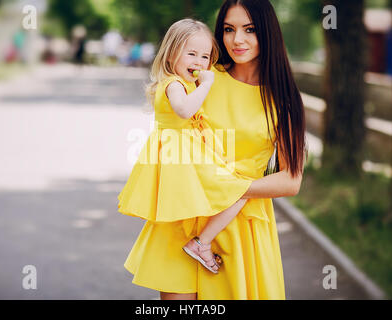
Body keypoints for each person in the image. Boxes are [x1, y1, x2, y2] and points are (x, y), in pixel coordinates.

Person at [122, 0, 307, 300]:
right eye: (228, 29)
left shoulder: (283, 100)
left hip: (241, 226)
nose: (238, 39)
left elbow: (290, 180)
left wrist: (230, 189)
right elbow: (171, 123)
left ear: (268, 32)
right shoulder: (203, 76)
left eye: (250, 29)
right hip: (182, 221)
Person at [118, 18, 255, 275]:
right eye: (191, 53)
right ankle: (201, 244)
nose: (199, 62)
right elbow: (184, 110)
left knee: (234, 191)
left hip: (185, 153)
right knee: (240, 190)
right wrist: (206, 84)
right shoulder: (173, 84)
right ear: (171, 54)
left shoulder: (183, 83)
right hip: (180, 156)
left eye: (205, 56)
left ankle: (200, 242)